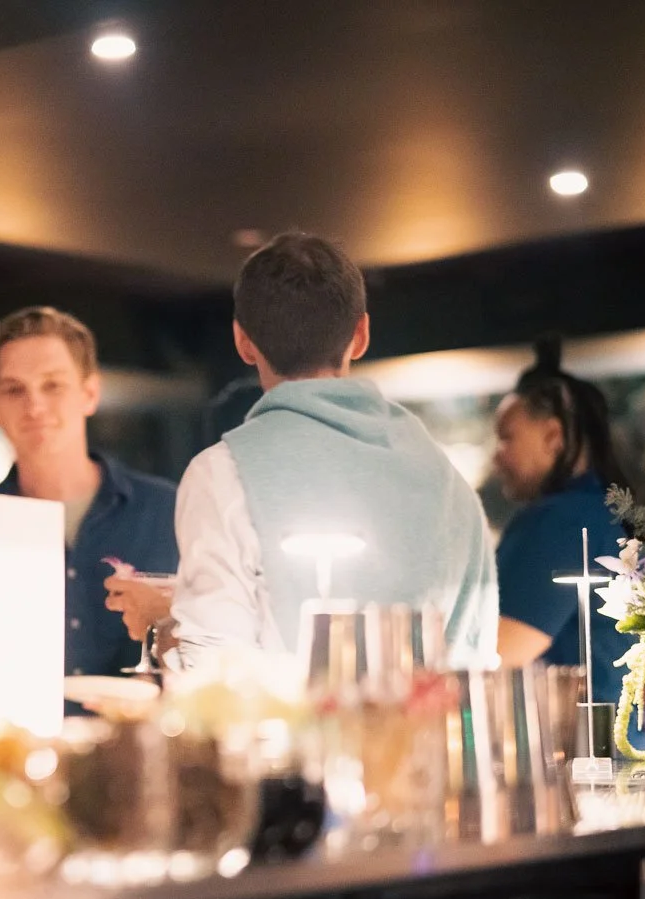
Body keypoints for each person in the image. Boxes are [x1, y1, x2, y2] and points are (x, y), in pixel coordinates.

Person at [136, 231, 497, 664]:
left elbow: (216, 670)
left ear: (242, 342)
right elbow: (477, 651)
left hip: (293, 733)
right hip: (440, 730)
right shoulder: (445, 477)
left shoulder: (220, 473)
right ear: (361, 334)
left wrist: (167, 632)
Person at [0, 307, 178, 691]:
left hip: (143, 745)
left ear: (89, 394)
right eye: (14, 389)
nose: (34, 406)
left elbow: (215, 653)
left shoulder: (168, 511)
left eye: (52, 385)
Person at [491, 354, 641, 743]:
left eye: (507, 437)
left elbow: (501, 651)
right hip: (619, 745)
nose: (497, 455)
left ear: (553, 438)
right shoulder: (603, 510)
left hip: (571, 754)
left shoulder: (559, 519)